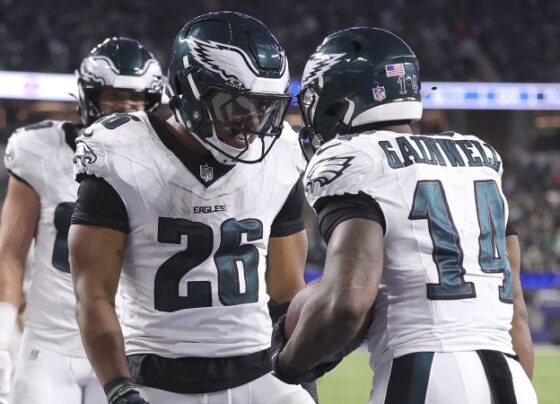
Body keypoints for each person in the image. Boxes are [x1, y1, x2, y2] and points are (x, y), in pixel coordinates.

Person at [272, 27, 538, 404]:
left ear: (336, 100)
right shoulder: (479, 159)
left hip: (425, 375)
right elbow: (517, 316)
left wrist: (285, 366)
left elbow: (348, 301)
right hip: (511, 380)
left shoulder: (354, 157)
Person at [68, 12, 315, 404]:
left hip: (261, 375)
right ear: (191, 92)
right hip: (157, 379)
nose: (252, 123)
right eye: (236, 106)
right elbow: (94, 294)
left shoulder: (281, 153)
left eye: (265, 107)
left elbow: (287, 291)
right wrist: (118, 388)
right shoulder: (121, 153)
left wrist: (302, 373)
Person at [0, 36, 163, 404]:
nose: (125, 109)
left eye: (136, 100)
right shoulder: (39, 151)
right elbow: (10, 254)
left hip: (128, 347)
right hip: (50, 347)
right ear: (89, 98)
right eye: (112, 98)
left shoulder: (166, 168)